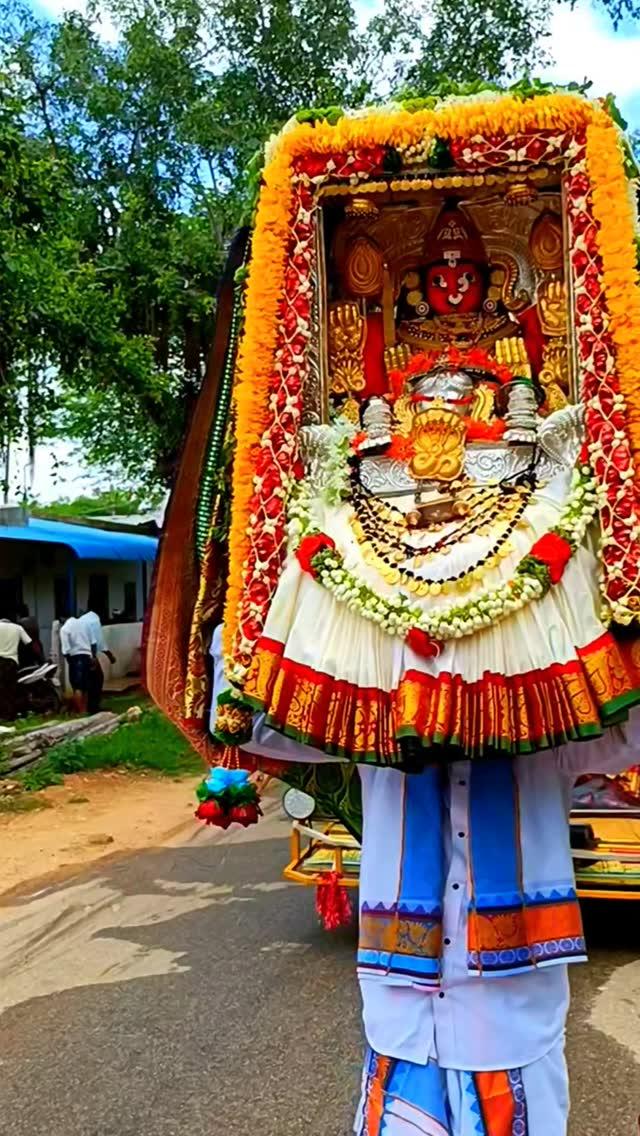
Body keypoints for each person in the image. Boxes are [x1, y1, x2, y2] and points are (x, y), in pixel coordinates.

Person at [78, 610, 116, 715]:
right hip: (88, 655)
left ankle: (86, 708)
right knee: (97, 678)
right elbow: (98, 642)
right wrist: (110, 656)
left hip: (77, 656)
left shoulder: (81, 622)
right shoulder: (94, 621)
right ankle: (94, 707)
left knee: (86, 682)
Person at [59, 614, 96, 714]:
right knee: (85, 686)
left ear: (62, 619)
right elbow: (93, 642)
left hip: (75, 657)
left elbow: (65, 650)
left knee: (77, 687)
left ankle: (80, 712)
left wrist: (70, 662)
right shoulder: (85, 624)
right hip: (87, 656)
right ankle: (85, 710)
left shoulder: (65, 628)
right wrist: (93, 657)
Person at [0, 613, 32, 721]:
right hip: (11, 662)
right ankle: (10, 715)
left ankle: (2, 714)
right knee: (11, 689)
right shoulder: (18, 628)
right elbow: (29, 643)